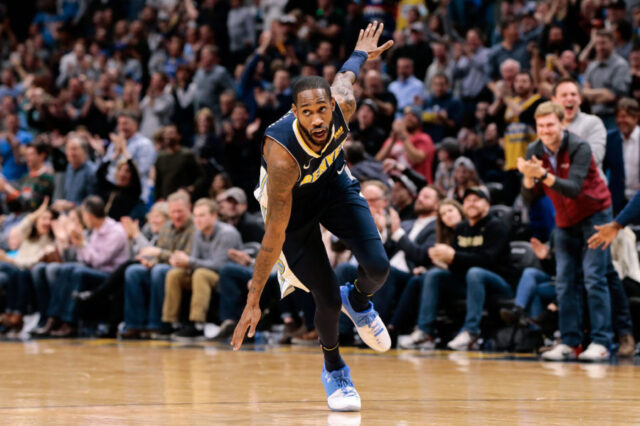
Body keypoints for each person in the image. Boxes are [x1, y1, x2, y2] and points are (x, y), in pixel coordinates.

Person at [231, 21, 394, 412]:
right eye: (308, 113)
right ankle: (335, 368)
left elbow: (345, 76)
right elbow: (273, 234)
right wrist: (254, 299)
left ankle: (358, 300)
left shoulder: (345, 104)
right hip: (295, 210)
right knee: (324, 297)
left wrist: (359, 54)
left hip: (335, 185)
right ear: (295, 112)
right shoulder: (282, 156)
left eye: (323, 109)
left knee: (378, 266)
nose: (319, 120)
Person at [518, 102, 614, 361]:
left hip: (596, 214)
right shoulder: (534, 149)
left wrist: (542, 174)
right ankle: (570, 343)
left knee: (594, 278)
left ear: (562, 123)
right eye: (541, 126)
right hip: (564, 220)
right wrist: (528, 177)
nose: (546, 130)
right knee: (564, 281)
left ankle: (602, 342)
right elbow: (529, 197)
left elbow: (573, 188)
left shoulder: (579, 146)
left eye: (550, 124)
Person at [162, 198, 241, 340]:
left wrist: (189, 261)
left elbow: (220, 265)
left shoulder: (227, 233)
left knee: (200, 274)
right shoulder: (198, 232)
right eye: (196, 215)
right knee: (175, 274)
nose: (198, 219)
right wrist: (181, 262)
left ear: (214, 216)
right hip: (204, 273)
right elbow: (193, 259)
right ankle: (171, 322)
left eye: (202, 215)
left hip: (226, 278)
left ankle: (197, 324)